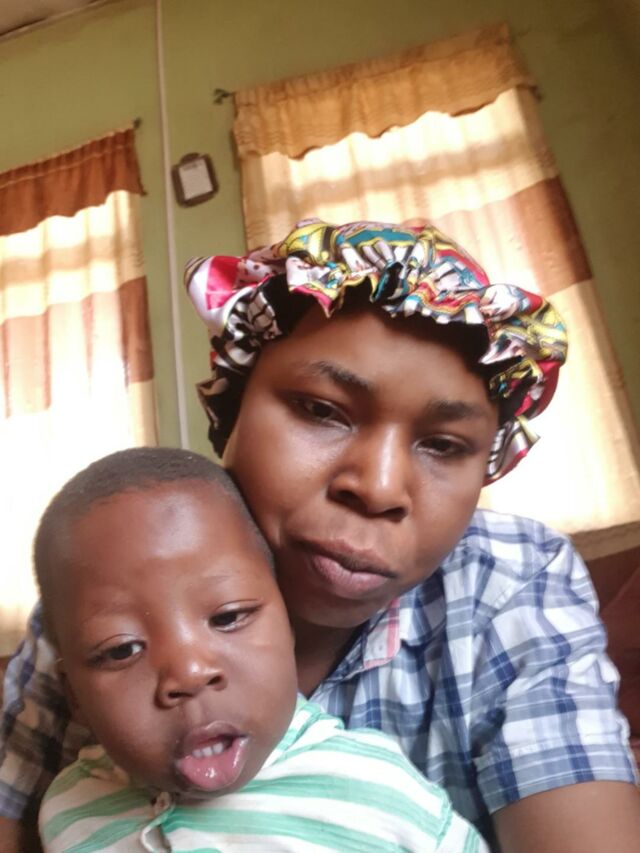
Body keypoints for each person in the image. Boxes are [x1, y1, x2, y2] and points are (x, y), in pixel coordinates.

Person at [1, 220, 639, 853]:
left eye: (444, 445)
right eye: (320, 410)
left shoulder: (510, 582)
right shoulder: (101, 592)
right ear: (231, 411)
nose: (379, 488)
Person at [35, 446, 485, 852]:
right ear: (75, 695)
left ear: (288, 624)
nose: (190, 672)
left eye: (229, 617)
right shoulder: (68, 810)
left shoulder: (383, 799)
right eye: (122, 650)